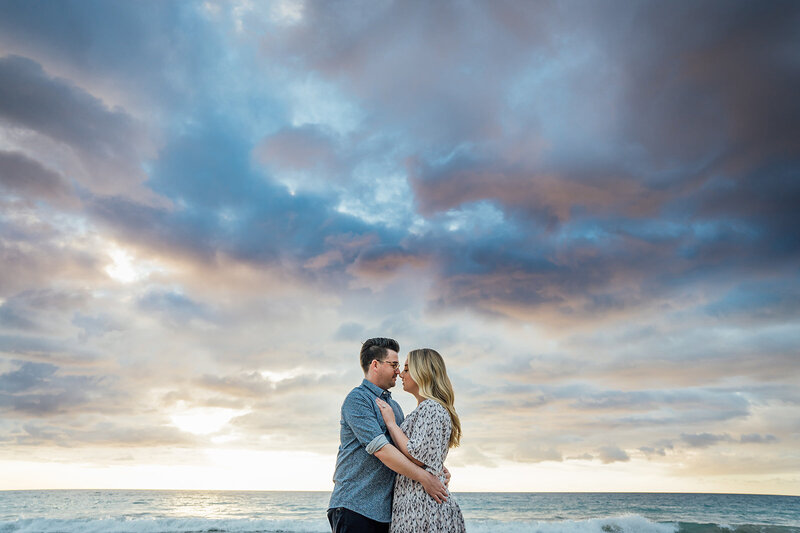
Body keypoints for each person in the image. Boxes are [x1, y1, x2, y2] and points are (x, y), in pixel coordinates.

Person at [328, 338, 450, 533]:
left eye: (400, 366)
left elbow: (408, 449)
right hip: (356, 506)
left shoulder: (394, 408)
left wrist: (435, 466)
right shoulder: (358, 399)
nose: (398, 371)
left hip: (387, 512)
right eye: (393, 365)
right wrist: (425, 477)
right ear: (375, 365)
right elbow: (382, 450)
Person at [375, 348, 466, 533]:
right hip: (416, 504)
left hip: (423, 507)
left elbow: (418, 456)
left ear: (422, 373)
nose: (400, 373)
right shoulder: (425, 409)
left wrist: (391, 424)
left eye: (407, 369)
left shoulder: (431, 408)